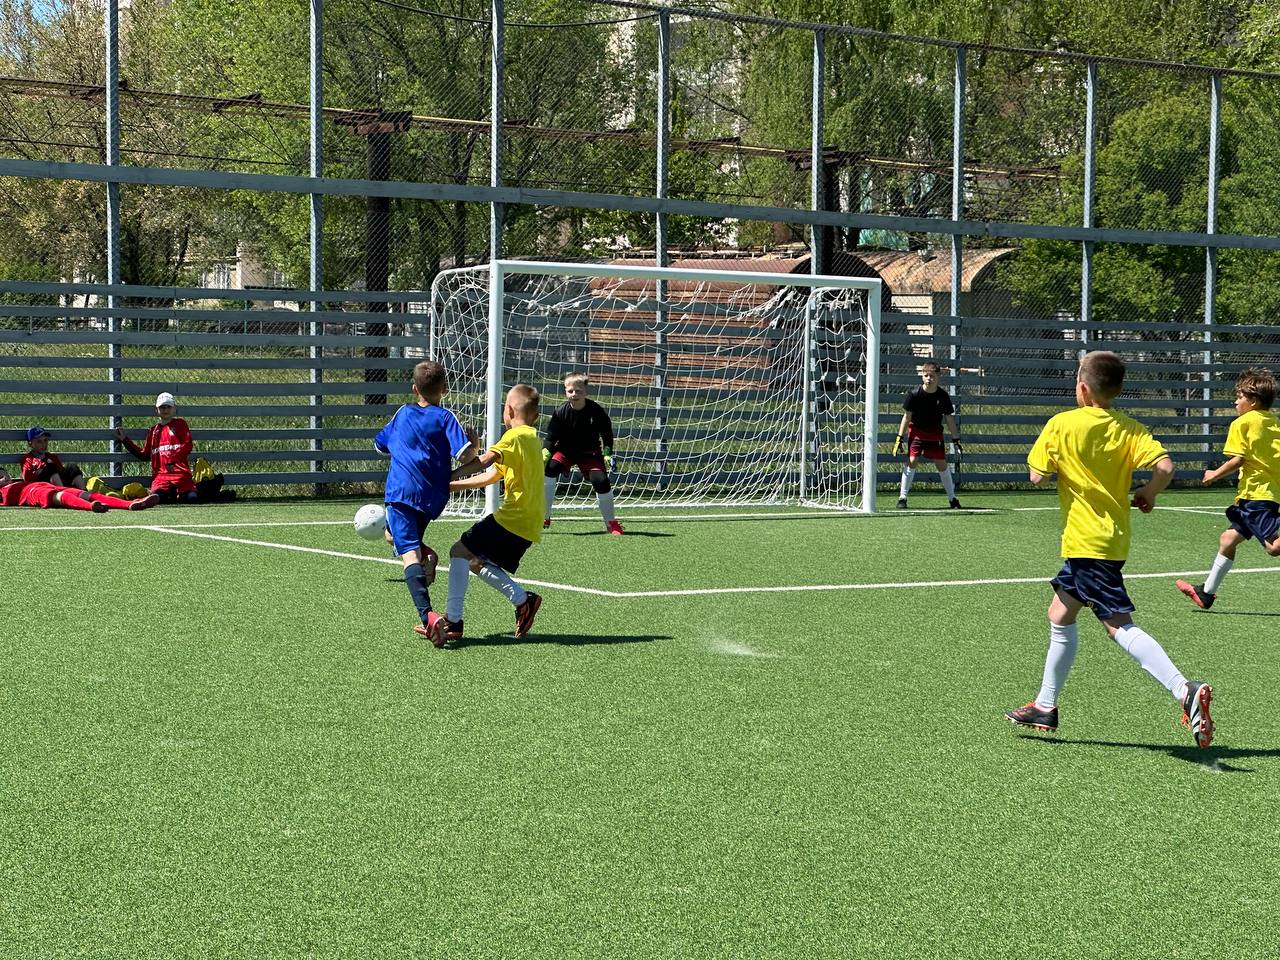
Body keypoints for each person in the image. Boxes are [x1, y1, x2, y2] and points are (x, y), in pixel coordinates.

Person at [1004, 350, 1214, 748]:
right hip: (1111, 540)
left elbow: (1035, 476)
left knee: (1117, 625)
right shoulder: (1129, 428)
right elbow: (1165, 467)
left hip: (1087, 543)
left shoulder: (1061, 424)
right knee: (1060, 613)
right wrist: (1149, 492)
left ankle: (1183, 689)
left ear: (1082, 388)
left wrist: (1057, 463)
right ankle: (1045, 705)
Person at [374, 361, 478, 644]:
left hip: (401, 493)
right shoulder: (446, 417)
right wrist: (474, 447)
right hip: (432, 497)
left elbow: (379, 444)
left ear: (414, 389)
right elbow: (466, 456)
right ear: (445, 389)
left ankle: (428, 618)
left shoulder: (403, 413)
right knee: (392, 535)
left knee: (407, 554)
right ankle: (427, 554)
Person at [439, 384, 545, 647]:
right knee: (473, 561)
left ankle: (453, 621)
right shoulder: (532, 439)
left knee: (458, 551)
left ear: (508, 410)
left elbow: (485, 461)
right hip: (529, 523)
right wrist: (450, 486)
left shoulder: (514, 437)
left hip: (513, 517)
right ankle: (524, 601)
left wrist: (449, 474)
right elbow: (491, 476)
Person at [1176, 367, 1280, 610]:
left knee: (1274, 547)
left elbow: (1238, 459)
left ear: (1253, 401)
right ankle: (1206, 594)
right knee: (1227, 540)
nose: (1235, 402)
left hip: (1256, 495)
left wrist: (1214, 474)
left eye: (1240, 397)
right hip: (1265, 493)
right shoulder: (1274, 423)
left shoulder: (1242, 423)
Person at [543, 372, 624, 534]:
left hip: (590, 452)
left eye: (578, 391)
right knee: (550, 469)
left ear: (586, 391)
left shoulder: (596, 411)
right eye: (570, 391)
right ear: (565, 392)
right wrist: (545, 452)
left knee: (601, 481)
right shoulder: (560, 412)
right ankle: (544, 516)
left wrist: (608, 453)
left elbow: (607, 433)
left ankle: (611, 523)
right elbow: (551, 436)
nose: (574, 394)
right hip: (565, 451)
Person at [893, 360, 962, 509]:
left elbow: (949, 418)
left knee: (941, 464)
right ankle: (902, 498)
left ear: (938, 377)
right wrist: (899, 438)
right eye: (926, 375)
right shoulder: (914, 394)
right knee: (912, 460)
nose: (929, 378)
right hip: (917, 432)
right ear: (922, 376)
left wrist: (956, 439)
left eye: (932, 376)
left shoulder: (943, 396)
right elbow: (907, 417)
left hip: (935, 434)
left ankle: (952, 499)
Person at [116, 392, 197, 502]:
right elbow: (144, 455)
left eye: (168, 407)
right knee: (157, 498)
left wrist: (172, 459)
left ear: (174, 409)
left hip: (181, 475)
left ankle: (178, 493)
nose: (165, 410)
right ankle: (169, 494)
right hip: (161, 477)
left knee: (192, 498)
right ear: (156, 410)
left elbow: (188, 445)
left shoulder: (180, 424)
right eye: (162, 407)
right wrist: (125, 440)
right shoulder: (153, 431)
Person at [1, 468, 159, 512]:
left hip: (44, 485)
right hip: (32, 494)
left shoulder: (16, 483)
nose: (5, 477)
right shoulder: (3, 493)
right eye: (0, 477)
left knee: (87, 494)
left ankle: (130, 504)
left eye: (5, 474)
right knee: (60, 496)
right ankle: (91, 507)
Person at [20, 426, 88, 491]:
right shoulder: (28, 459)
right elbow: (27, 477)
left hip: (58, 482)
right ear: (30, 444)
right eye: (39, 442)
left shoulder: (52, 457)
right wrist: (37, 472)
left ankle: (84, 491)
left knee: (72, 467)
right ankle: (63, 493)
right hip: (43, 486)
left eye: (45, 440)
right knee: (50, 467)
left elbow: (61, 471)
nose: (44, 444)